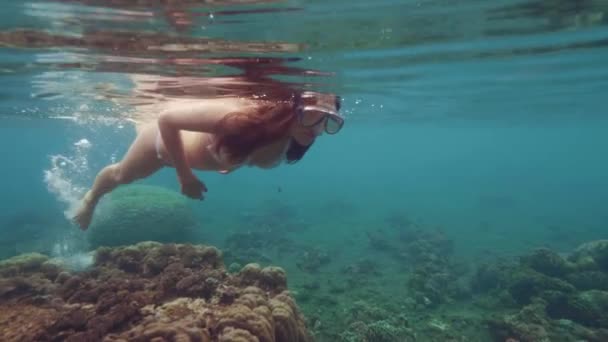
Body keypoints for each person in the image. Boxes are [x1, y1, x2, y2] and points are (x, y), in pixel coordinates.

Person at [72, 89, 345, 230]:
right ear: (293, 108)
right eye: (312, 115)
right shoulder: (239, 115)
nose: (317, 128)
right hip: (161, 144)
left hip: (190, 155)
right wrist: (185, 177)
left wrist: (233, 161)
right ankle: (90, 200)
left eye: (329, 121)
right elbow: (167, 120)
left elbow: (252, 150)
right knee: (122, 176)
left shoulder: (289, 136)